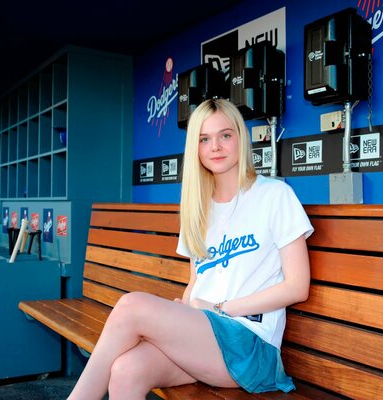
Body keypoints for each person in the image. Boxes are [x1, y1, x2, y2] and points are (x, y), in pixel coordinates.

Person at [67, 98, 313, 400]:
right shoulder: (198, 208)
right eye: (204, 139)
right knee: (126, 370)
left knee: (131, 306)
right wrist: (185, 309)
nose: (216, 147)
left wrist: (221, 308)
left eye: (225, 135)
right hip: (207, 338)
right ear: (195, 149)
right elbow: (197, 282)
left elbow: (298, 287)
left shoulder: (275, 195)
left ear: (241, 138)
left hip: (251, 346)